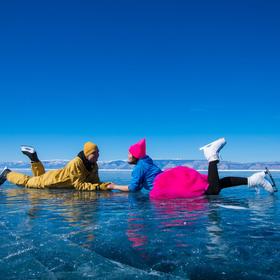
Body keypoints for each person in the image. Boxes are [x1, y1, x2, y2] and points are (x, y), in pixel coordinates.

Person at [107, 138, 275, 198]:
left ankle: (211, 156)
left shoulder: (139, 168)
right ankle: (253, 180)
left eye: (129, 153)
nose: (127, 156)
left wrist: (114, 187)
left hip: (166, 186)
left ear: (135, 155)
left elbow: (133, 188)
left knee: (212, 190)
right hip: (171, 177)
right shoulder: (146, 160)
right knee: (212, 183)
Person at [0, 141, 111, 191]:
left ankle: (34, 159)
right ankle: (7, 174)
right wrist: (99, 187)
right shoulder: (76, 163)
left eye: (98, 153)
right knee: (28, 182)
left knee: (38, 177)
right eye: (94, 153)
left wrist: (106, 185)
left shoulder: (94, 165)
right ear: (87, 154)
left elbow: (95, 181)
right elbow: (79, 185)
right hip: (52, 181)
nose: (98, 155)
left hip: (55, 177)